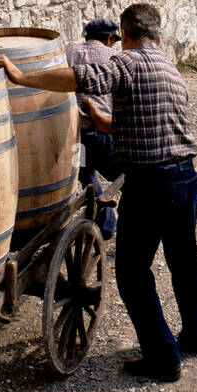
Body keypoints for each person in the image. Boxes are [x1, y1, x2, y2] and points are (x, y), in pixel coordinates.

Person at [0, 3, 197, 383]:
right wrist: (104, 122)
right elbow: (150, 124)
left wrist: (20, 76)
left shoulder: (127, 61)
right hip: (187, 178)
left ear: (125, 37)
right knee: (184, 262)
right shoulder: (170, 70)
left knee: (130, 274)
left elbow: (78, 78)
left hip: (151, 186)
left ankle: (163, 358)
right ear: (158, 36)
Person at [64, 18, 121, 239]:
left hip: (74, 138)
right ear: (108, 39)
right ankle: (131, 225)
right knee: (126, 173)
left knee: (86, 173)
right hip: (101, 137)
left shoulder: (68, 53)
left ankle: (106, 225)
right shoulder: (114, 58)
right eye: (113, 40)